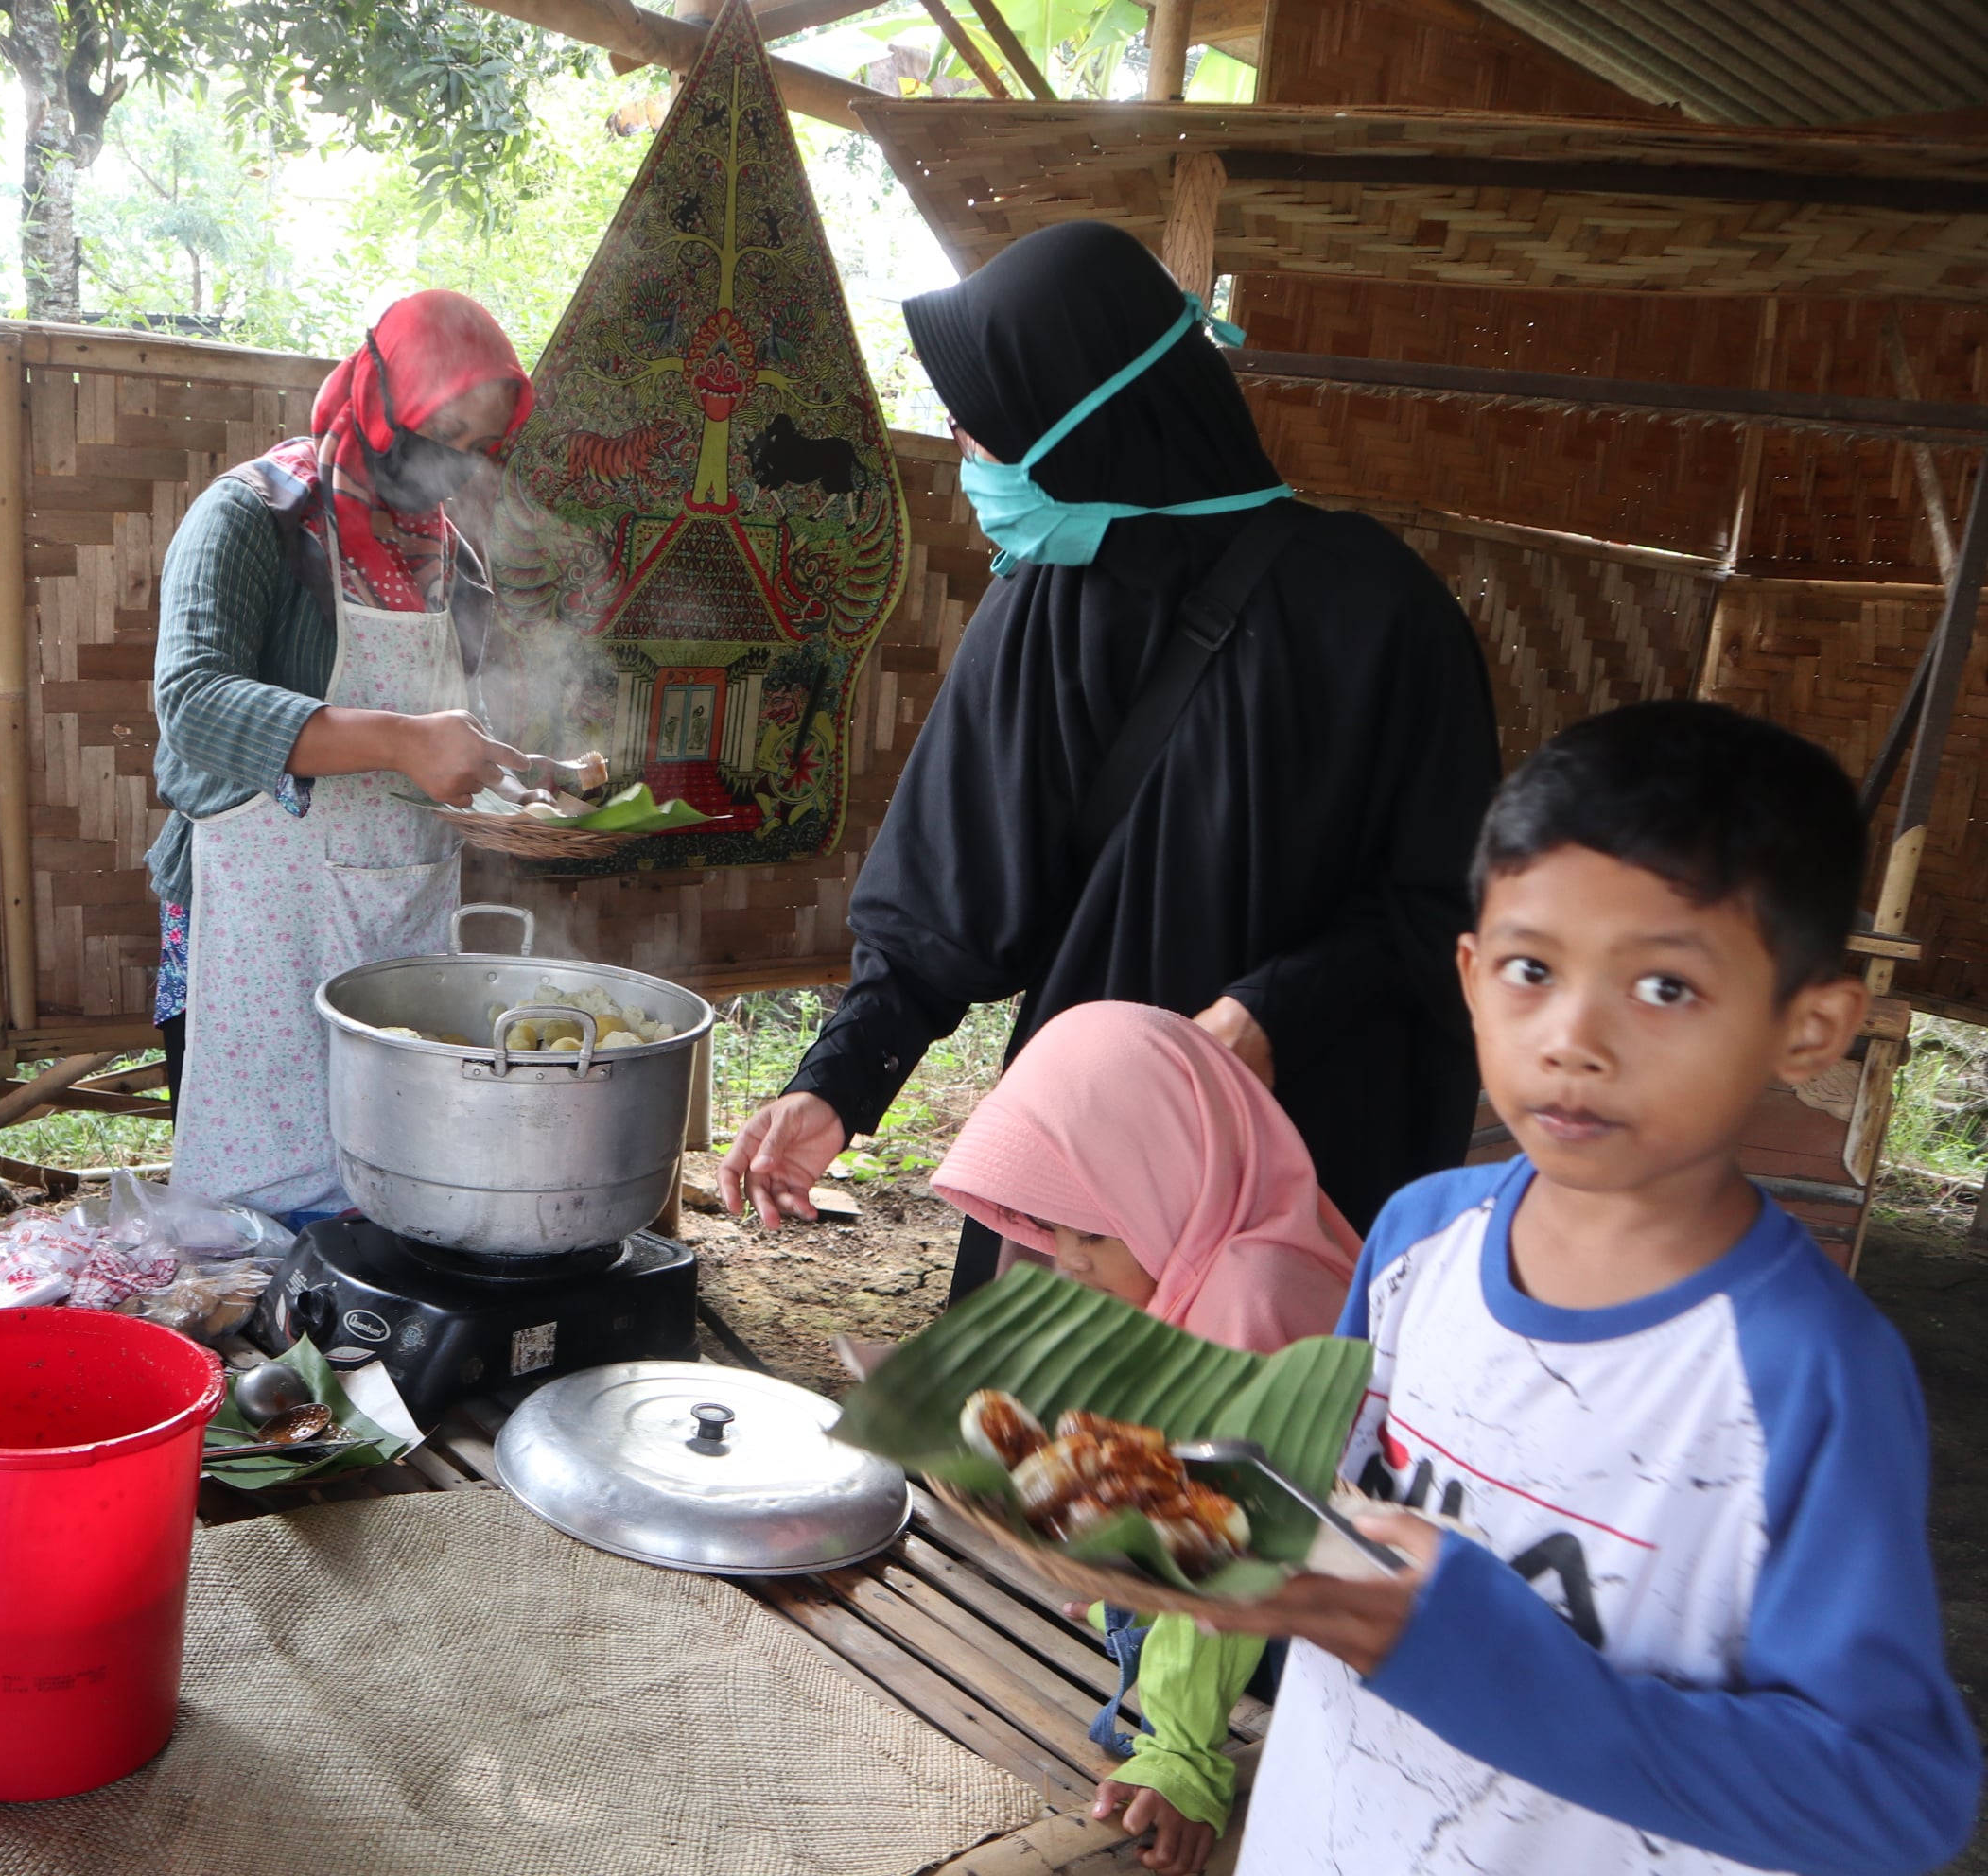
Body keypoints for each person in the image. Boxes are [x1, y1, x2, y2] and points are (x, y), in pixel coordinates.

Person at [1215, 701, 1979, 1875]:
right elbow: (1319, 1512)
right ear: (1471, 976)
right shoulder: (1420, 1238)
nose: (1573, 1037)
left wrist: (1472, 1658)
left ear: (1810, 1026)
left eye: (1664, 986)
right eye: (1531, 969)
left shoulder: (1806, 1372)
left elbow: (1890, 1799)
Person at [720, 222, 1501, 1294]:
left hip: (1304, 1169)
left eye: (987, 419)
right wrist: (837, 1085)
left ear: (1091, 419)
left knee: (1245, 1405)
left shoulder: (1382, 614)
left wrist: (1276, 1010)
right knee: (1043, 1408)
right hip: (1079, 1189)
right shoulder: (1045, 601)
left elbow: (1452, 901)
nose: (960, 437)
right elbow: (945, 904)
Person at [930, 999, 1358, 1873]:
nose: (1068, 1258)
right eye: (1054, 1228)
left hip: (1311, 1625)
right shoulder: (1191, 1251)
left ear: (1174, 1186)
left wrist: (1181, 1753)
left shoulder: (1257, 1297)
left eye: (1092, 1231)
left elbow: (1236, 1554)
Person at [151, 289, 534, 1220]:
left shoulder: (448, 559)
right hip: (256, 907)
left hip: (400, 903)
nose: (453, 462)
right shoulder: (253, 516)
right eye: (442, 430)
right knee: (255, 1220)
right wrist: (400, 742)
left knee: (393, 1177)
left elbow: (457, 720)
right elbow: (192, 704)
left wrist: (520, 776)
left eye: (478, 445)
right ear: (383, 396)